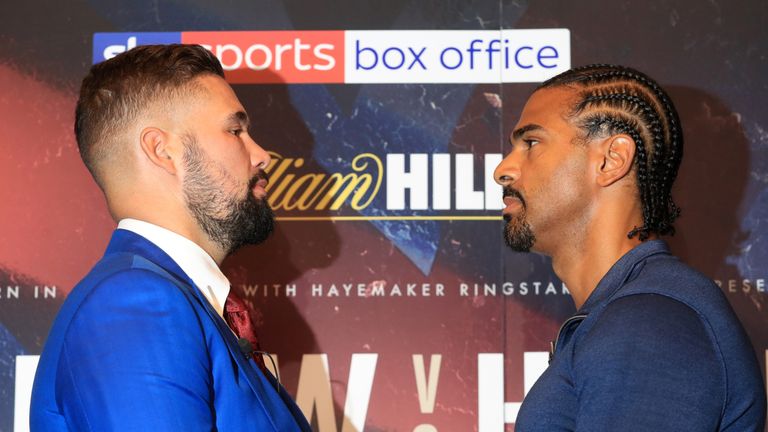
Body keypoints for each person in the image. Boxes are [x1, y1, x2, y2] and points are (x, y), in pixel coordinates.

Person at [30, 44, 311, 431]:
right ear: (162, 151)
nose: (262, 154)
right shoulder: (134, 304)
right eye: (235, 130)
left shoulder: (171, 300)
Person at [494, 64, 765, 431]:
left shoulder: (650, 321)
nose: (503, 170)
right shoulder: (634, 313)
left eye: (531, 143)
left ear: (611, 160)